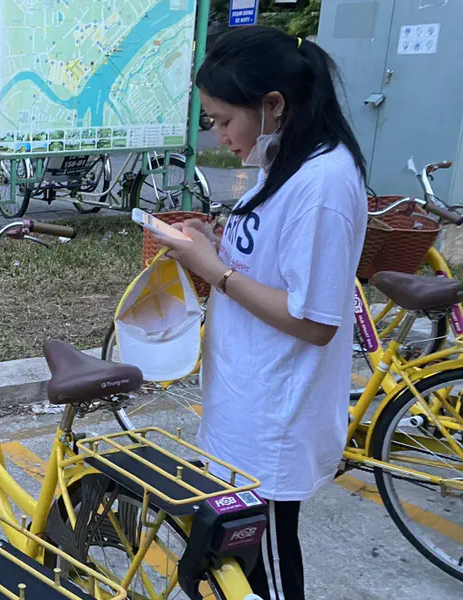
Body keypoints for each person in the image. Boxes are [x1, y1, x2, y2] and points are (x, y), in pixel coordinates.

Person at [153, 27, 367, 600]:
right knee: (232, 566)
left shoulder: (322, 182)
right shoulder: (287, 160)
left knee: (263, 575)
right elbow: (274, 259)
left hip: (275, 421)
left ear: (273, 104)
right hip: (246, 404)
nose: (220, 136)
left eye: (225, 120)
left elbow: (315, 320)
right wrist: (220, 241)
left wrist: (214, 269)